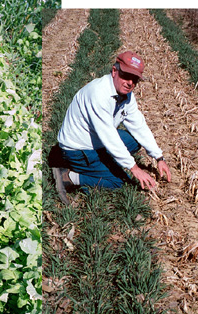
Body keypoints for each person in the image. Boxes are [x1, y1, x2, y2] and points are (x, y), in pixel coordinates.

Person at [52, 51, 172, 204]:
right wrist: (134, 168)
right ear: (114, 71)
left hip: (96, 141)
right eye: (126, 76)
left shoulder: (127, 95)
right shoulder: (98, 94)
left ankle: (104, 163)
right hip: (77, 149)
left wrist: (159, 157)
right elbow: (108, 135)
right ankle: (68, 176)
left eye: (135, 79)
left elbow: (139, 125)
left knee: (135, 139)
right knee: (119, 182)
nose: (130, 83)